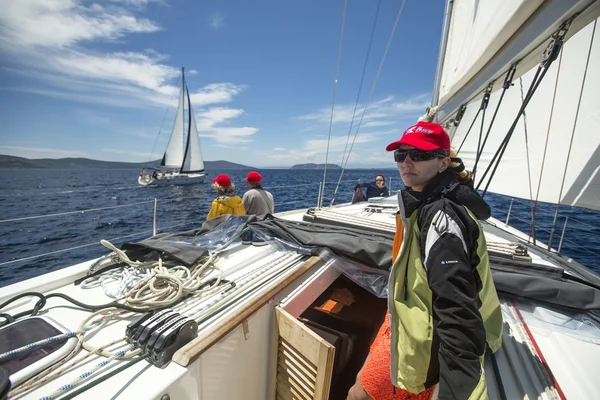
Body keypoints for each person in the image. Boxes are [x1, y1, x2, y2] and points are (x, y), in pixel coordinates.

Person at [347, 121, 503, 400]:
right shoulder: (423, 201)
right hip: (408, 315)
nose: (407, 162)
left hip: (426, 335)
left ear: (443, 163)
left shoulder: (441, 219)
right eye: (401, 155)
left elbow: (458, 313)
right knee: (360, 379)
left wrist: (456, 391)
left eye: (418, 155)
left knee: (358, 394)